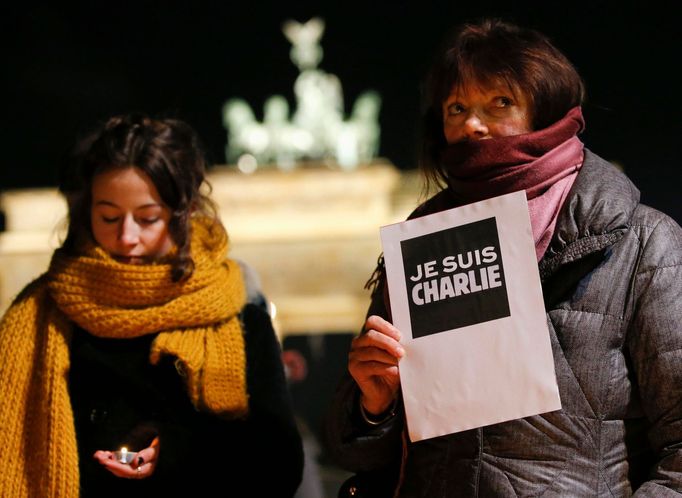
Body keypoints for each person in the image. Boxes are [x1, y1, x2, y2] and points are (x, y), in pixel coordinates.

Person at [324, 18, 682, 497]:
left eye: (500, 102)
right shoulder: (420, 247)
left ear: (548, 111)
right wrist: (374, 404)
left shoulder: (641, 243)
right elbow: (362, 455)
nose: (472, 124)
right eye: (456, 107)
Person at [0, 113, 304, 497]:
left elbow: (279, 464)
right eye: (108, 216)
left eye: (147, 219)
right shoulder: (41, 309)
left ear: (183, 214)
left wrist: (174, 453)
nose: (127, 237)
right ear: (85, 211)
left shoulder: (237, 312)